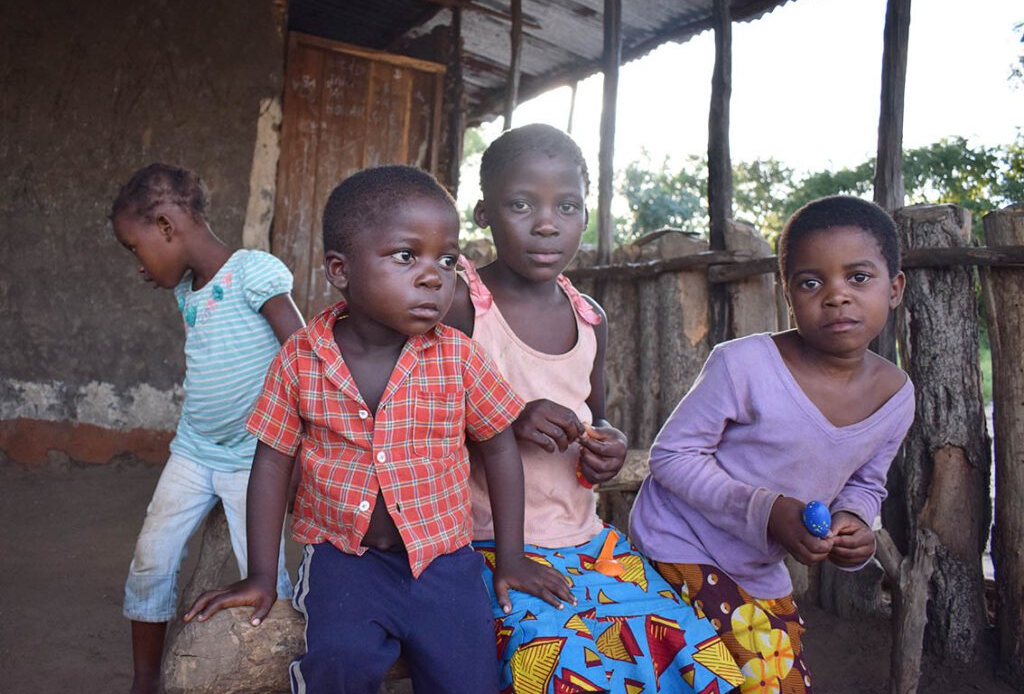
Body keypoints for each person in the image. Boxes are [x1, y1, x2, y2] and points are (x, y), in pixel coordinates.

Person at [184, 165, 572, 694]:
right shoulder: (301, 358)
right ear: (340, 270)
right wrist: (260, 574)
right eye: (406, 256)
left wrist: (510, 558)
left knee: (469, 679)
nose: (434, 275)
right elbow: (272, 462)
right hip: (346, 563)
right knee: (339, 667)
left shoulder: (458, 357)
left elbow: (501, 451)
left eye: (448, 259)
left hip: (444, 563)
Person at [444, 124, 743, 694]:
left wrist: (607, 444)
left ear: (587, 216)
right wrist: (505, 419)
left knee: (695, 655)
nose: (547, 222)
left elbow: (597, 415)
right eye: (521, 204)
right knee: (566, 667)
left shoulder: (589, 317)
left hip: (586, 537)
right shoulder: (462, 306)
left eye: (568, 205)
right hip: (483, 545)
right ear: (484, 213)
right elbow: (415, 421)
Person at [630, 195, 916, 694]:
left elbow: (866, 483)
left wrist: (852, 527)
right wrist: (767, 511)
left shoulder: (895, 396)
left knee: (780, 682)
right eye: (811, 282)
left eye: (859, 277)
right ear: (788, 295)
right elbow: (671, 456)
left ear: (894, 289)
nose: (836, 295)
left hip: (759, 570)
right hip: (678, 544)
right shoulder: (742, 364)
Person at [111, 163, 303, 694]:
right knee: (151, 557)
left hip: (253, 457)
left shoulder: (252, 271)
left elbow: (301, 353)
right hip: (194, 451)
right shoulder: (188, 291)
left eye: (136, 247)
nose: (139, 266)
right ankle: (146, 681)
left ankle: (279, 673)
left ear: (168, 226)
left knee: (268, 578)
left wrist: (299, 447)